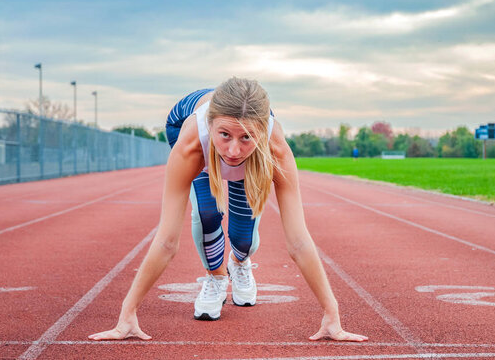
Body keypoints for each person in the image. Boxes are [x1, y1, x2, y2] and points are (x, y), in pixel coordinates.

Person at [88, 77, 367, 342]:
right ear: (211, 126)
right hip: (185, 122)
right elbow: (167, 241)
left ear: (259, 132)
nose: (233, 151)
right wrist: (127, 313)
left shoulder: (275, 149)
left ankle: (240, 263)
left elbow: (298, 240)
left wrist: (332, 313)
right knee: (206, 213)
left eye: (246, 137)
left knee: (243, 238)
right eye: (225, 135)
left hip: (242, 133)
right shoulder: (192, 144)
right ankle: (216, 277)